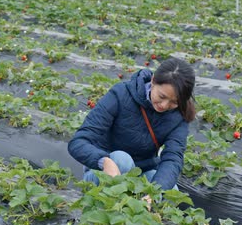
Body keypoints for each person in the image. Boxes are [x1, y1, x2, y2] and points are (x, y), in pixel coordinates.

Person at [68, 57, 196, 191]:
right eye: (162, 97)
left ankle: (147, 208)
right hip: (105, 170)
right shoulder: (121, 94)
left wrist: (155, 193)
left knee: (169, 191)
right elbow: (78, 142)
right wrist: (104, 161)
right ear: (153, 81)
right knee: (122, 160)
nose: (164, 105)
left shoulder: (179, 115)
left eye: (174, 102)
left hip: (141, 173)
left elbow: (173, 159)